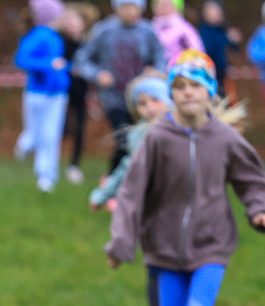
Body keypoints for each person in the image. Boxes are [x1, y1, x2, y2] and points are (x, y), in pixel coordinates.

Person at [105, 49, 265, 306]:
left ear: (210, 91)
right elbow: (131, 193)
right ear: (171, 93)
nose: (187, 93)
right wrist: (121, 244)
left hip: (212, 245)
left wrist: (259, 210)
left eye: (195, 86)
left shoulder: (225, 138)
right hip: (164, 251)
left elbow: (252, 181)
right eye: (178, 86)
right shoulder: (157, 138)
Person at [89, 73, 172, 306]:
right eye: (142, 103)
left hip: (183, 210)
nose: (148, 107)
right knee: (155, 268)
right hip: (150, 213)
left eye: (154, 100)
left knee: (182, 266)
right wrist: (103, 194)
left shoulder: (184, 132)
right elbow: (125, 168)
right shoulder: (137, 136)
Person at [74, 0, 165, 173]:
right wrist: (98, 74)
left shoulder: (147, 31)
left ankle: (122, 182)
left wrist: (155, 73)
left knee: (138, 140)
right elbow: (82, 58)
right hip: (113, 98)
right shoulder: (104, 30)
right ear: (118, 8)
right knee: (124, 139)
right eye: (126, 7)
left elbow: (161, 56)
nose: (131, 11)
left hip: (141, 99)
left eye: (135, 7)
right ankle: (113, 183)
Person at [13, 0, 70, 193]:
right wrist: (48, 64)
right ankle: (24, 145)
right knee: (36, 134)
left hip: (58, 95)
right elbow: (22, 59)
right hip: (37, 94)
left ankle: (46, 176)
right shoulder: (37, 36)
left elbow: (59, 64)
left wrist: (67, 71)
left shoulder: (56, 37)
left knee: (50, 136)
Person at [60, 3, 96, 185]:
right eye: (68, 21)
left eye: (75, 21)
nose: (71, 24)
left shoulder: (89, 43)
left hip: (81, 93)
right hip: (61, 93)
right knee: (63, 128)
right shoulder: (60, 42)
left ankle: (74, 165)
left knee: (80, 129)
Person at [197, 0, 240, 99]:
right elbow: (208, 48)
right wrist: (227, 38)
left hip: (223, 74)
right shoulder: (203, 30)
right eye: (210, 10)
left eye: (216, 10)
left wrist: (234, 41)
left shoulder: (222, 29)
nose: (214, 13)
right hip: (209, 73)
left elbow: (234, 51)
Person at [152, 0, 204, 66]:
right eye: (159, 4)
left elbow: (197, 50)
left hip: (178, 69)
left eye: (166, 4)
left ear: (176, 7)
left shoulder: (184, 28)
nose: (162, 8)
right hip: (156, 70)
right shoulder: (151, 26)